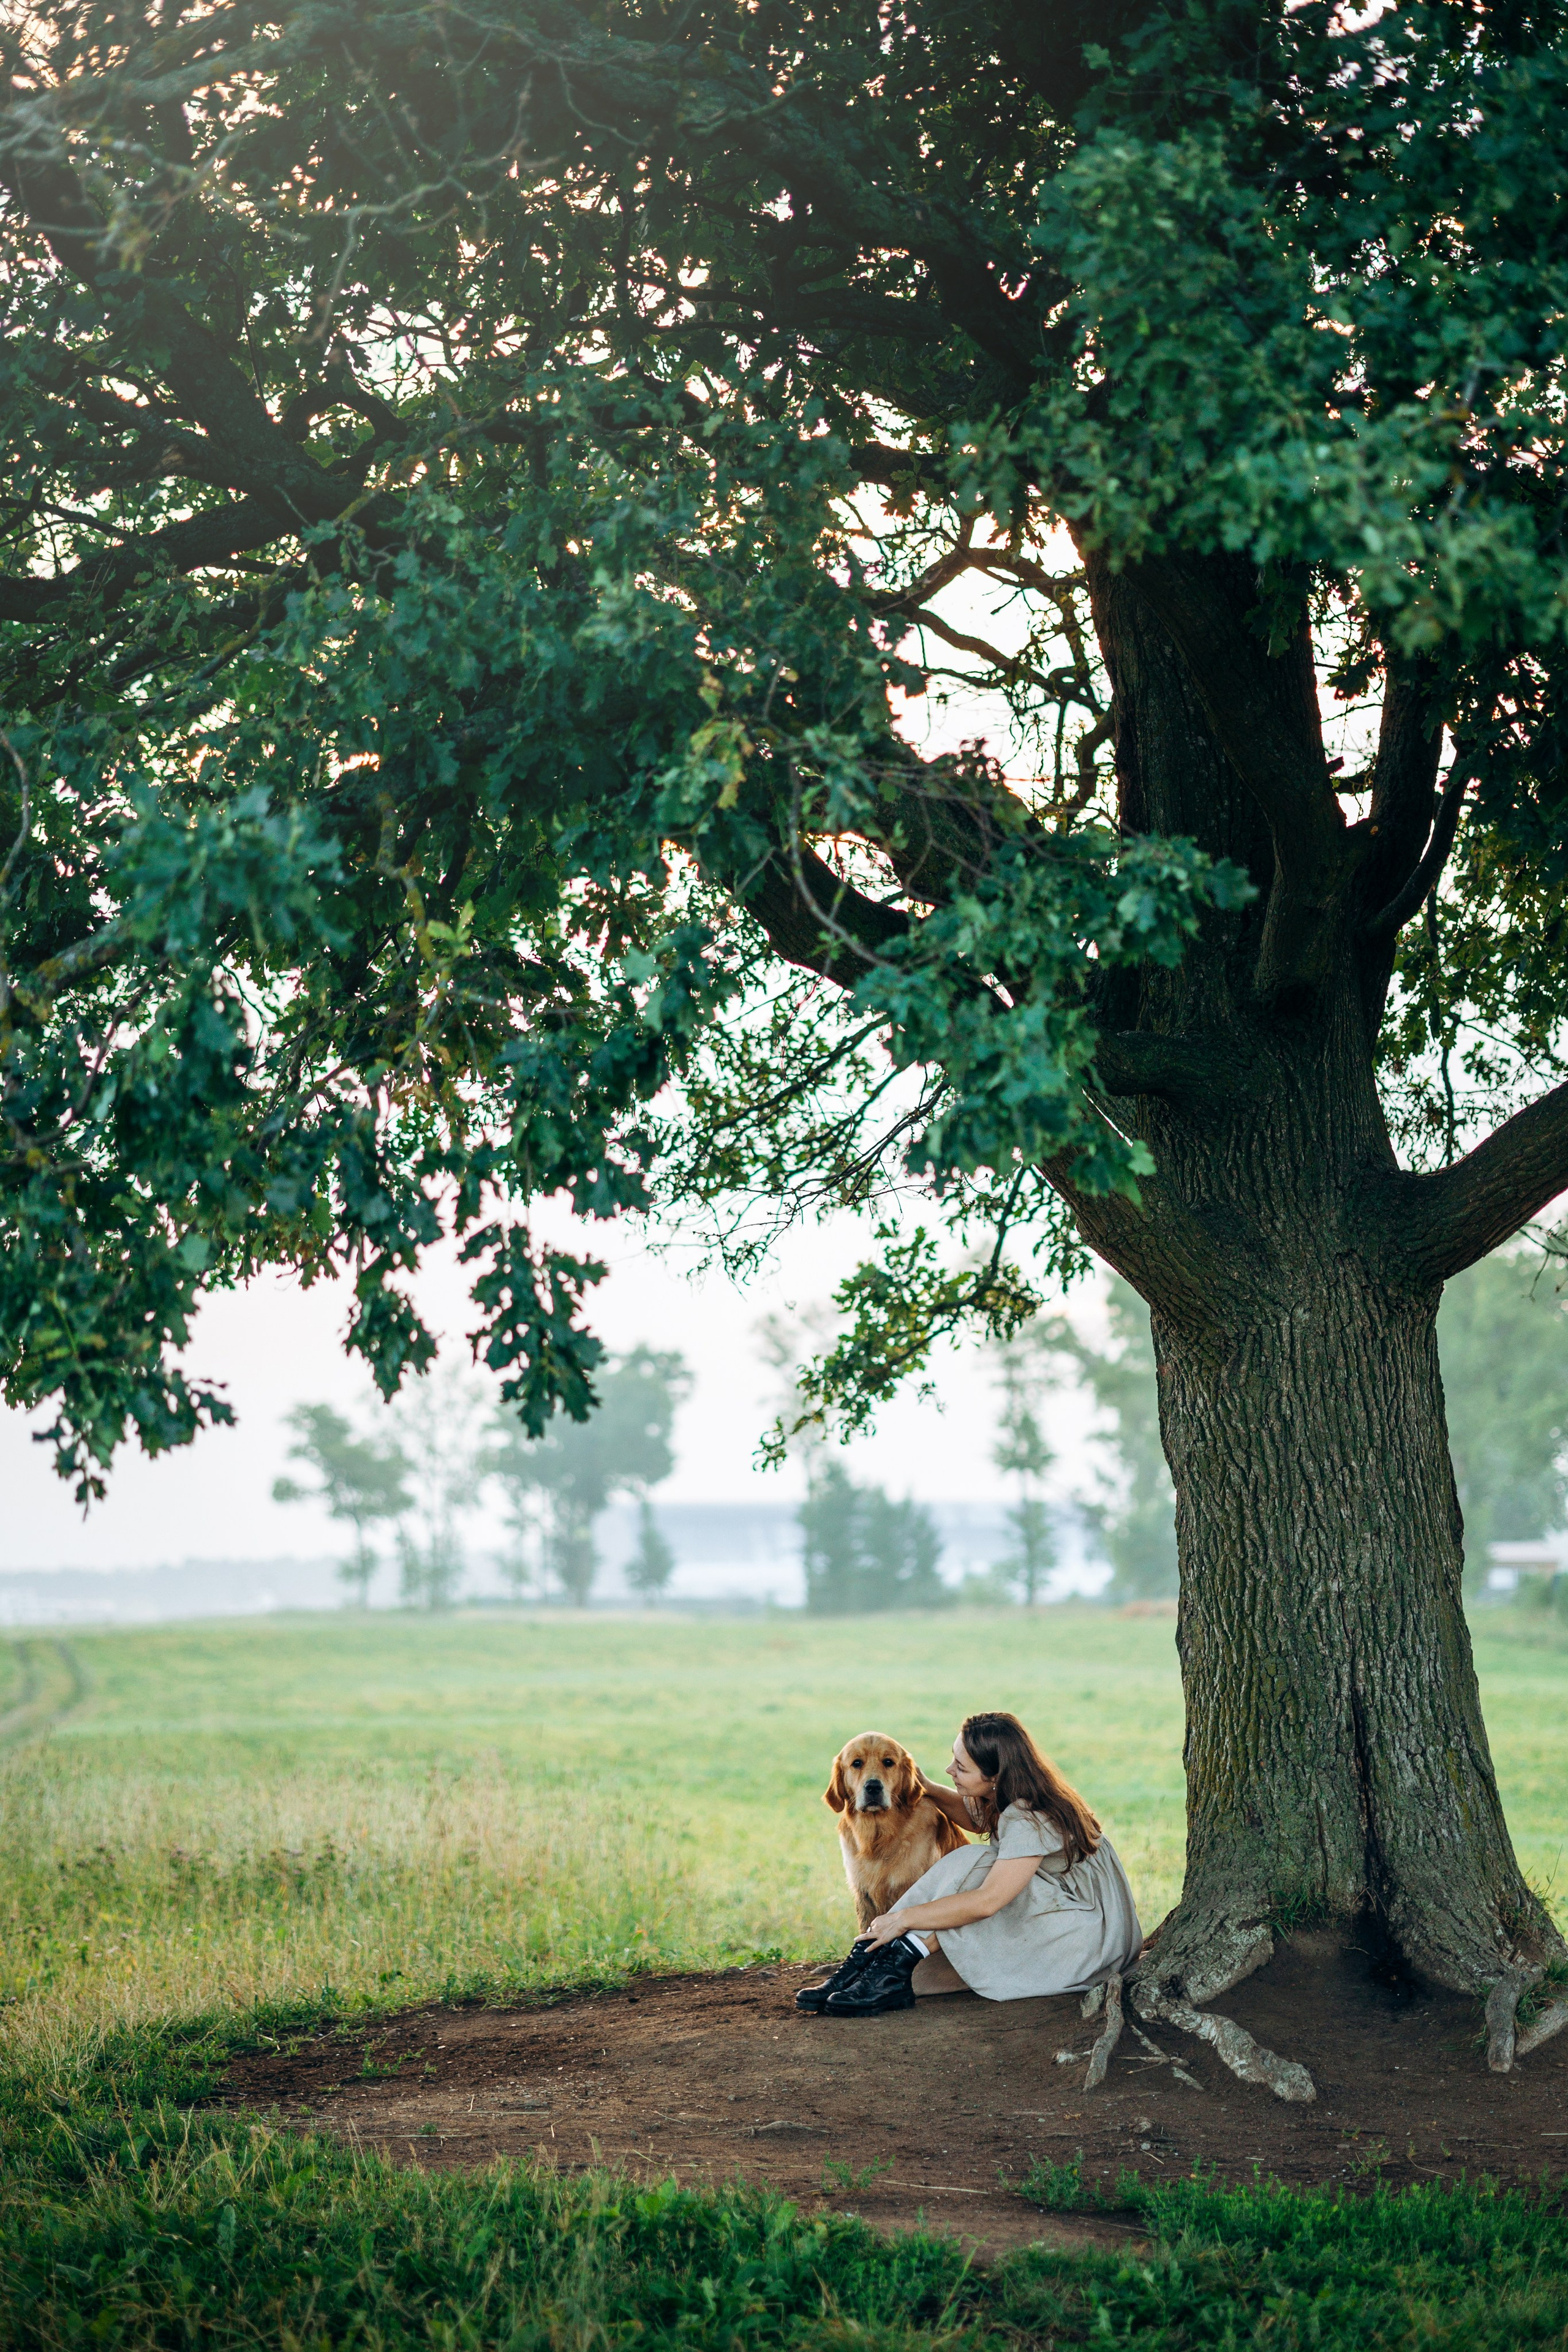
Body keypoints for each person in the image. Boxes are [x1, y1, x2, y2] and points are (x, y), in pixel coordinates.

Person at [796, 1710, 1142, 2018]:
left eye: (961, 1767)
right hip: (1056, 1911)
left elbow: (988, 1901)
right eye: (953, 1759)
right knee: (919, 1978)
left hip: (1091, 1936)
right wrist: (925, 1786)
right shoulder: (1004, 1793)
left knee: (975, 1862)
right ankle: (869, 1964)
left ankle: (883, 1957)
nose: (950, 1770)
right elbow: (974, 1821)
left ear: (994, 1776)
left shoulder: (1029, 1815)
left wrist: (900, 1919)